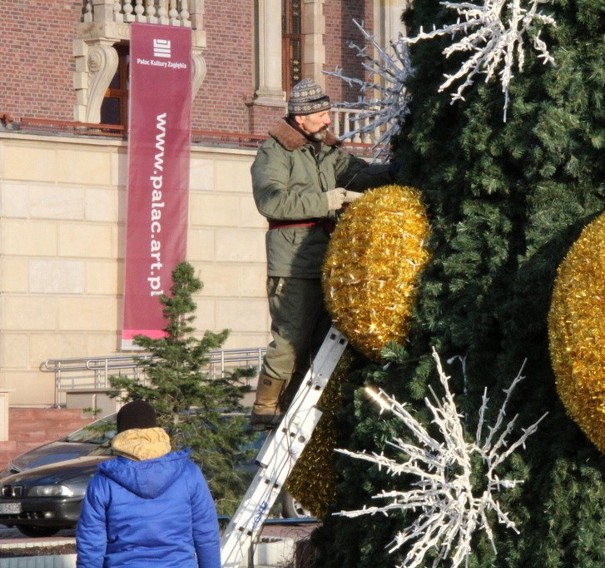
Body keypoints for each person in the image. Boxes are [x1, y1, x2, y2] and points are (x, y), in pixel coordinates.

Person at [248, 77, 393, 429]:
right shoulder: (274, 152)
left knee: (320, 342)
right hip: (293, 263)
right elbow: (271, 201)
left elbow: (360, 174)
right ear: (302, 118)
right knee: (290, 340)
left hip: (327, 259)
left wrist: (401, 169)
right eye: (323, 114)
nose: (329, 120)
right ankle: (265, 409)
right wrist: (325, 201)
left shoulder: (325, 150)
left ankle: (299, 406)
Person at [75, 400, 221, 568]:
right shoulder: (189, 473)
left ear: (121, 435)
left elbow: (91, 542)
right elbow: (206, 534)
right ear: (155, 431)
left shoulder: (103, 482)